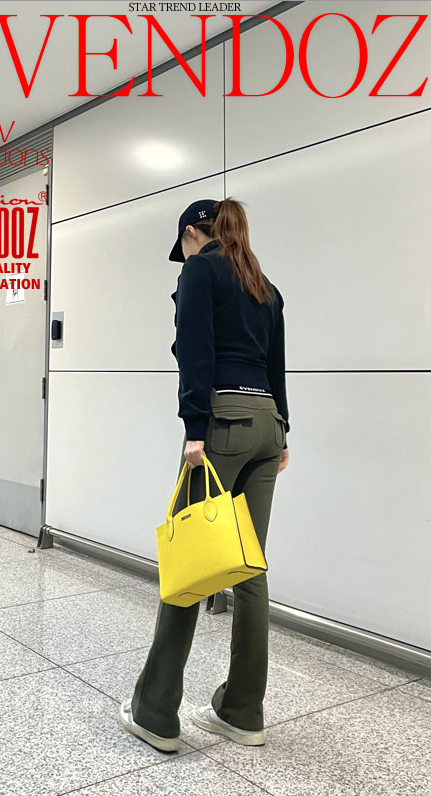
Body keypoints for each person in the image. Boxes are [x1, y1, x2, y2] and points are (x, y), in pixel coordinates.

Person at [119, 197, 290, 752]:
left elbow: (194, 350)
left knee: (190, 560)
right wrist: (284, 430)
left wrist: (195, 426)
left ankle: (154, 711)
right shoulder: (264, 285)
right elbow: (275, 365)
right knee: (250, 567)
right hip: (266, 423)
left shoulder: (201, 270)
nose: (184, 256)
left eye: (184, 246)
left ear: (193, 234)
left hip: (222, 422)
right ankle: (242, 711)